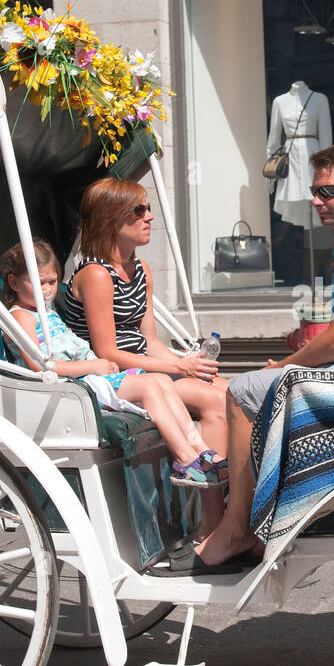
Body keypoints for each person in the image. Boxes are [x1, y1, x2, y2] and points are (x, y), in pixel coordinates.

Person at [194, 143, 334, 567]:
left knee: (241, 391)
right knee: (260, 386)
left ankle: (237, 527)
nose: (317, 201)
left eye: (328, 191)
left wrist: (282, 365)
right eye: (314, 193)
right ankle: (261, 522)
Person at [1, 240, 224, 485]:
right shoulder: (22, 316)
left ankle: (199, 448)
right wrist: (93, 365)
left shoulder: (47, 312)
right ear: (13, 282)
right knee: (149, 386)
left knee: (160, 380)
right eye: (38, 282)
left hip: (88, 380)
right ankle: (183, 458)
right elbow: (40, 366)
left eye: (52, 282)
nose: (46, 290)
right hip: (70, 387)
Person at [62, 178, 228, 460]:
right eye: (137, 210)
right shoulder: (96, 275)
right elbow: (108, 352)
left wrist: (186, 365)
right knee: (217, 401)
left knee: (231, 391)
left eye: (148, 208)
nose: (149, 216)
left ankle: (226, 488)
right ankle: (209, 489)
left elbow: (149, 341)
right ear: (109, 219)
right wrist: (176, 365)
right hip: (118, 376)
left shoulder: (142, 270)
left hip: (147, 367)